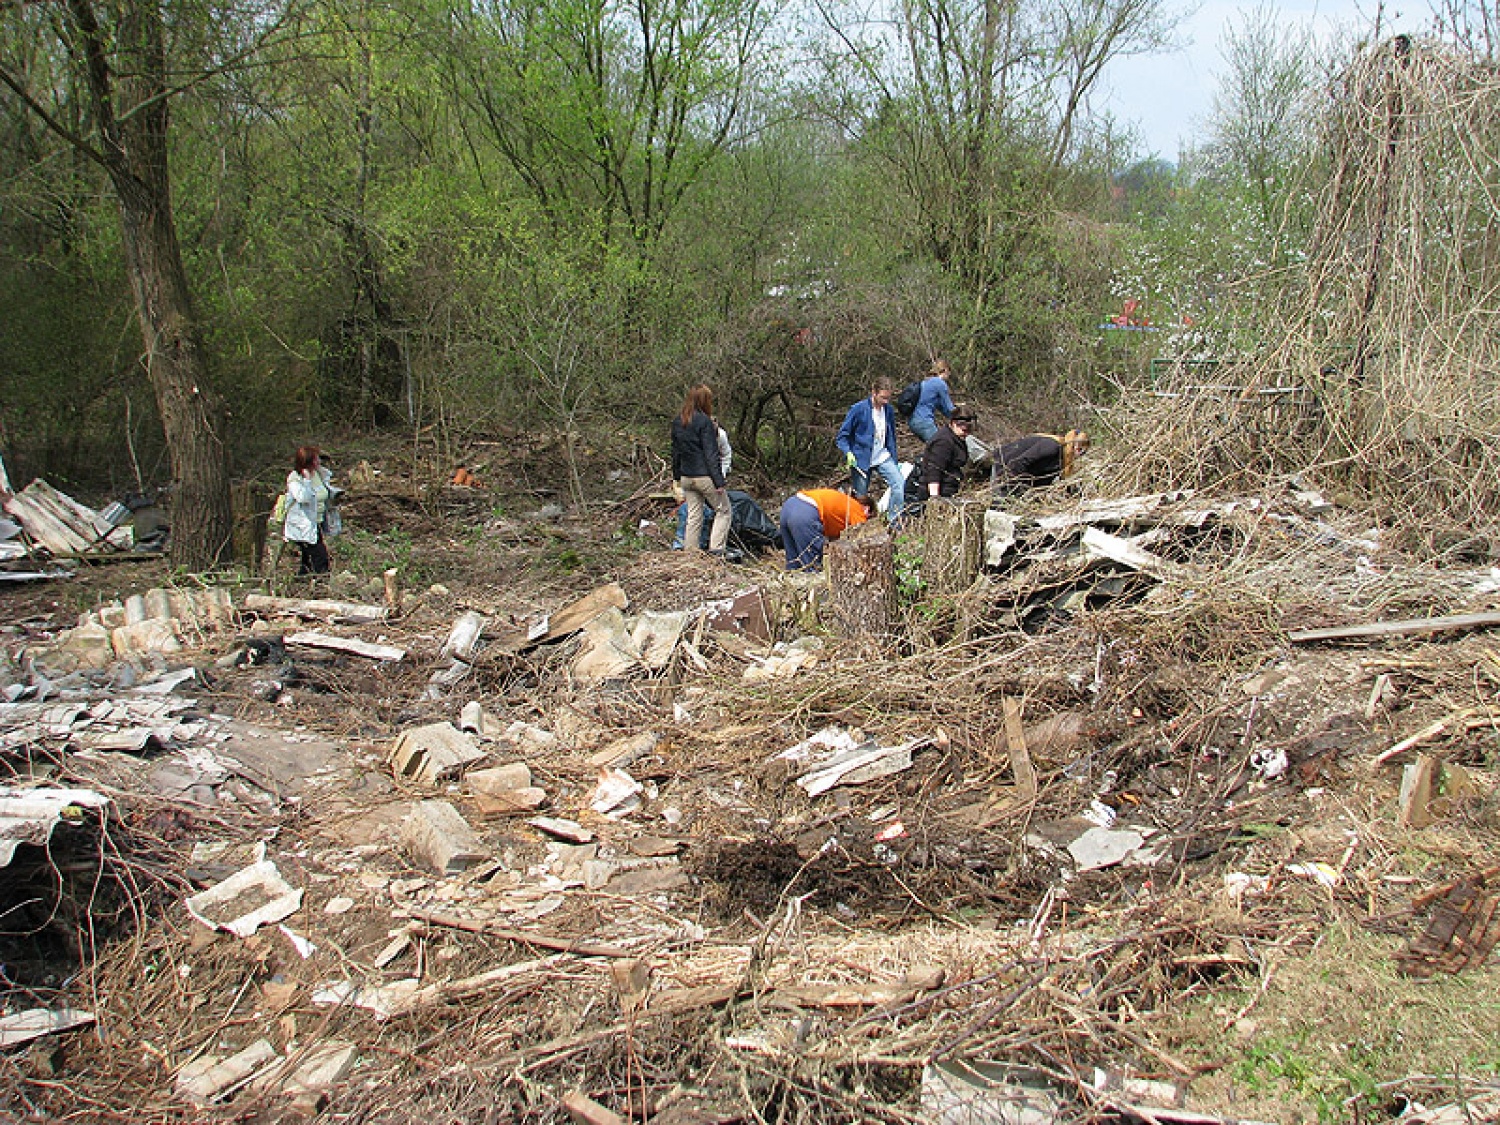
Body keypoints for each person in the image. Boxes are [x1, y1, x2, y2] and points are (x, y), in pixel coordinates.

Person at [671, 384, 731, 556]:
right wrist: (719, 482)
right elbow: (711, 454)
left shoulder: (678, 421)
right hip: (704, 476)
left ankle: (690, 554)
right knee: (724, 511)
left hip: (686, 477)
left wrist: (677, 477)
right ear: (705, 401)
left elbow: (675, 452)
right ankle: (717, 551)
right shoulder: (705, 422)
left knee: (694, 515)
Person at [835, 377, 904, 522]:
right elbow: (842, 436)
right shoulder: (858, 409)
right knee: (861, 498)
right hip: (861, 459)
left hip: (882, 456)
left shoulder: (888, 410)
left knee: (899, 484)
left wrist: (894, 458)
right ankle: (858, 523)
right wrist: (848, 452)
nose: (886, 401)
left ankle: (894, 520)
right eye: (883, 397)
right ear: (874, 392)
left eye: (888, 398)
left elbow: (891, 436)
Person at [779, 489, 874, 571]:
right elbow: (860, 538)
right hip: (806, 512)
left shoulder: (844, 502)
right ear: (867, 509)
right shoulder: (857, 509)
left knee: (793, 563)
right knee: (811, 565)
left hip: (790, 505)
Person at [903, 409, 975, 517]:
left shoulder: (957, 439)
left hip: (949, 489)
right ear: (953, 424)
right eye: (964, 430)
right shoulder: (943, 442)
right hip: (930, 491)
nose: (966, 434)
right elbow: (934, 470)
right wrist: (935, 498)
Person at [282, 445, 336, 575]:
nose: (319, 461)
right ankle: (321, 582)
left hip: (316, 522)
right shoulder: (295, 478)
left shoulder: (319, 474)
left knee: (307, 559)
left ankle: (303, 581)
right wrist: (306, 481)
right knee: (320, 557)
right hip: (301, 524)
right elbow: (303, 497)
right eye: (315, 459)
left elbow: (324, 492)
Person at [992, 429, 1091, 492]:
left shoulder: (1060, 463)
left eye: (1083, 451)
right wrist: (1011, 489)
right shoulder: (1052, 446)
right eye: (1080, 449)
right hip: (1002, 467)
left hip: (1012, 475)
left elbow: (1041, 484)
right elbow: (1018, 464)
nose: (1080, 454)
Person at [909, 359, 956, 443]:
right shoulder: (940, 383)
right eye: (949, 372)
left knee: (932, 449)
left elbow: (942, 408)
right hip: (924, 421)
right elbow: (950, 408)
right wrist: (962, 417)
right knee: (939, 446)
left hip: (913, 422)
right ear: (945, 370)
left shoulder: (927, 381)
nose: (949, 375)